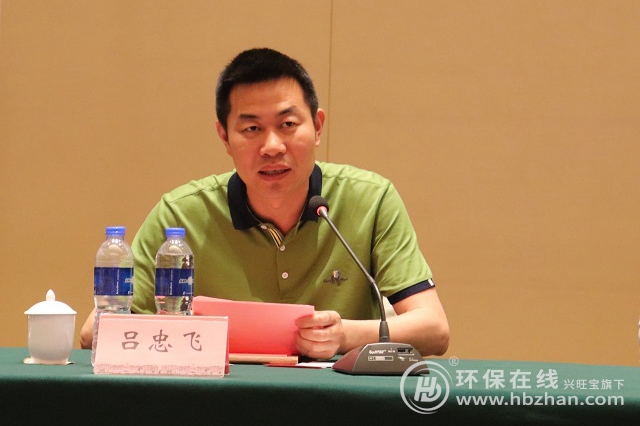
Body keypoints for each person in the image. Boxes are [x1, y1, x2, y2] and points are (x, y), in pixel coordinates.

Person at [80, 47, 449, 359]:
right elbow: (95, 331)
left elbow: (434, 329)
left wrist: (344, 335)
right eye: (252, 129)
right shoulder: (181, 216)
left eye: (288, 124)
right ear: (224, 136)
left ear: (317, 127)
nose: (272, 146)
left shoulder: (370, 200)